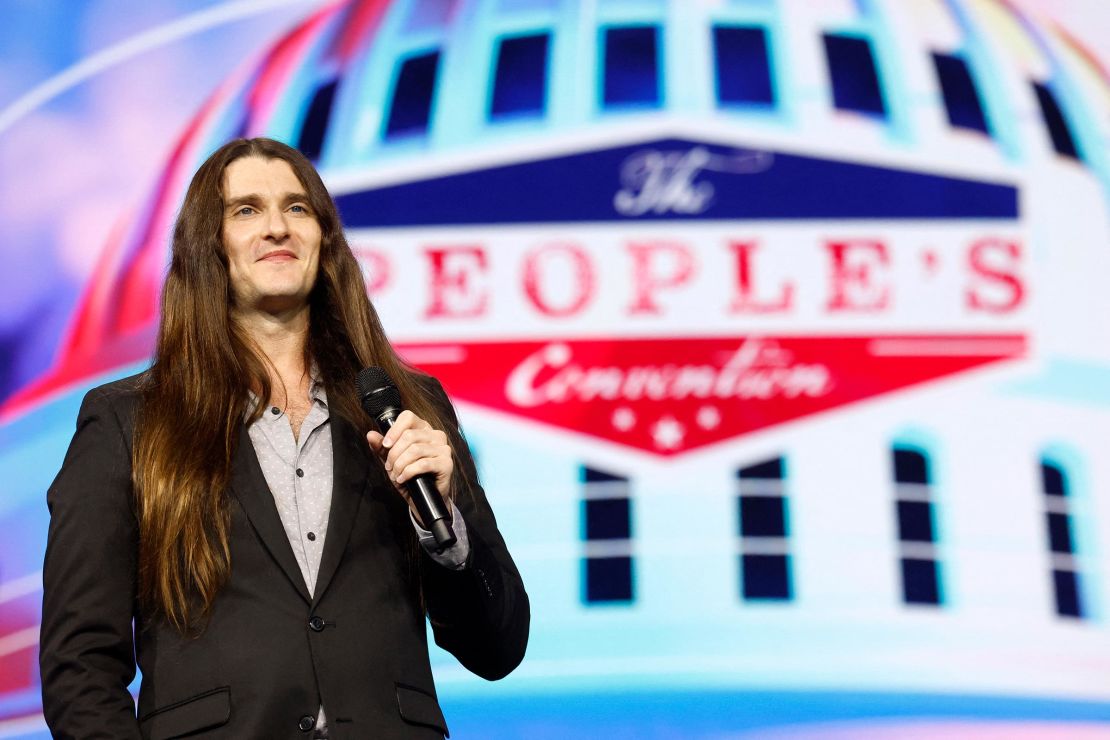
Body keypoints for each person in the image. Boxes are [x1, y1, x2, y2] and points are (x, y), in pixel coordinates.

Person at [39, 137, 529, 739]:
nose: (276, 227)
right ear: (207, 244)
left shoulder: (406, 408)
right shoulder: (128, 420)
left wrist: (445, 530)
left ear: (324, 242)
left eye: (297, 208)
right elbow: (78, 668)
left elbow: (499, 646)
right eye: (246, 210)